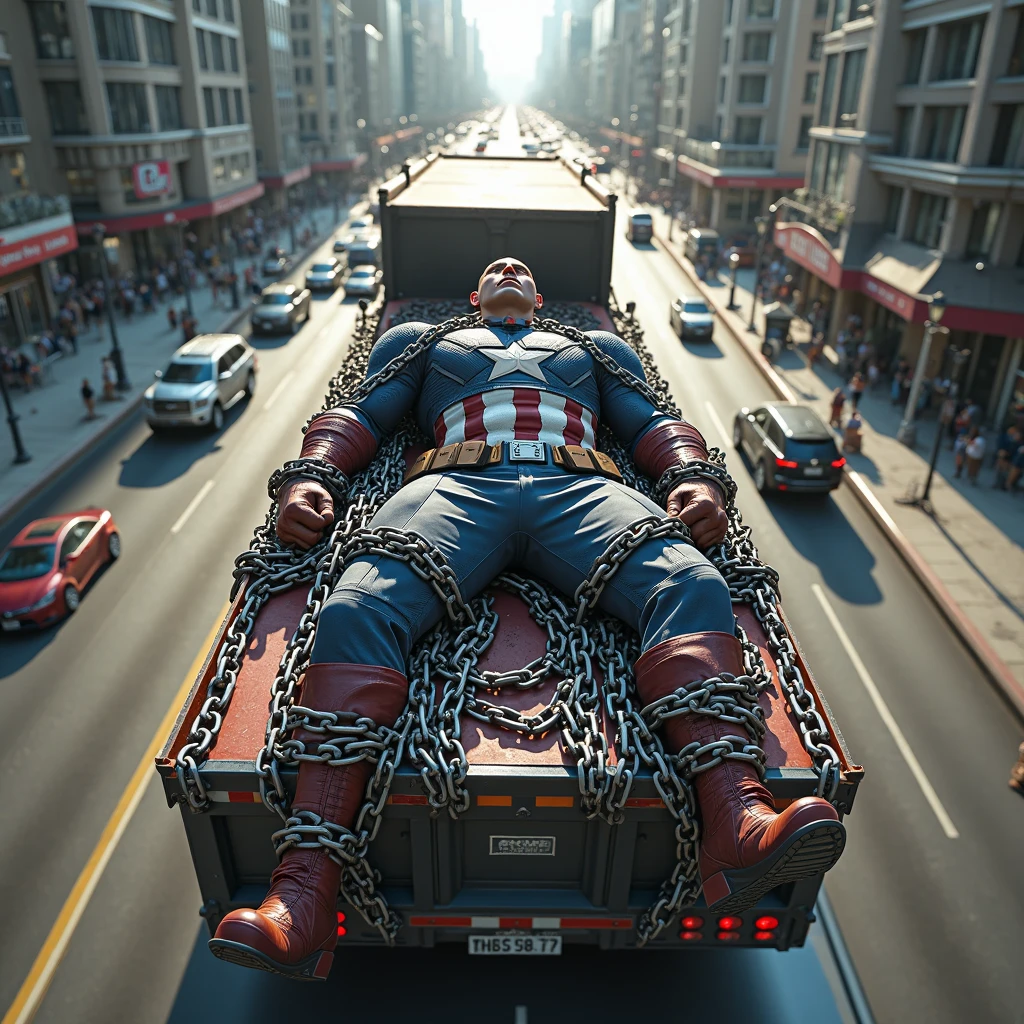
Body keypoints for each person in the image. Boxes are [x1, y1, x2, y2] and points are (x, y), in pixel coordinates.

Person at [209, 257, 845, 978]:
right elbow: (361, 415)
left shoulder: (595, 350)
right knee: (357, 605)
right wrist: (313, 475)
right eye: (495, 269)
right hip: (455, 484)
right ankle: (304, 894)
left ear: (539, 298)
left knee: (690, 582)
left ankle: (736, 821)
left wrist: (694, 477)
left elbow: (653, 423)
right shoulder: (423, 342)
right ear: (475, 295)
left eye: (520, 270)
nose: (508, 268)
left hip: (578, 484)